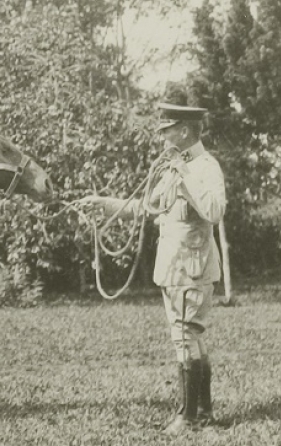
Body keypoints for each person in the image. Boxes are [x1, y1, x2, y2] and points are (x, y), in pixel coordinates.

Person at [79, 102, 227, 435]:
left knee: (188, 338)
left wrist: (185, 174)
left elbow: (215, 211)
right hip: (176, 269)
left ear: (184, 132)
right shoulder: (174, 168)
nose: (161, 138)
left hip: (192, 268)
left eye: (166, 131)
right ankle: (201, 412)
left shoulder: (203, 166)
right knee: (191, 338)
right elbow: (148, 208)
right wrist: (104, 204)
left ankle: (190, 418)